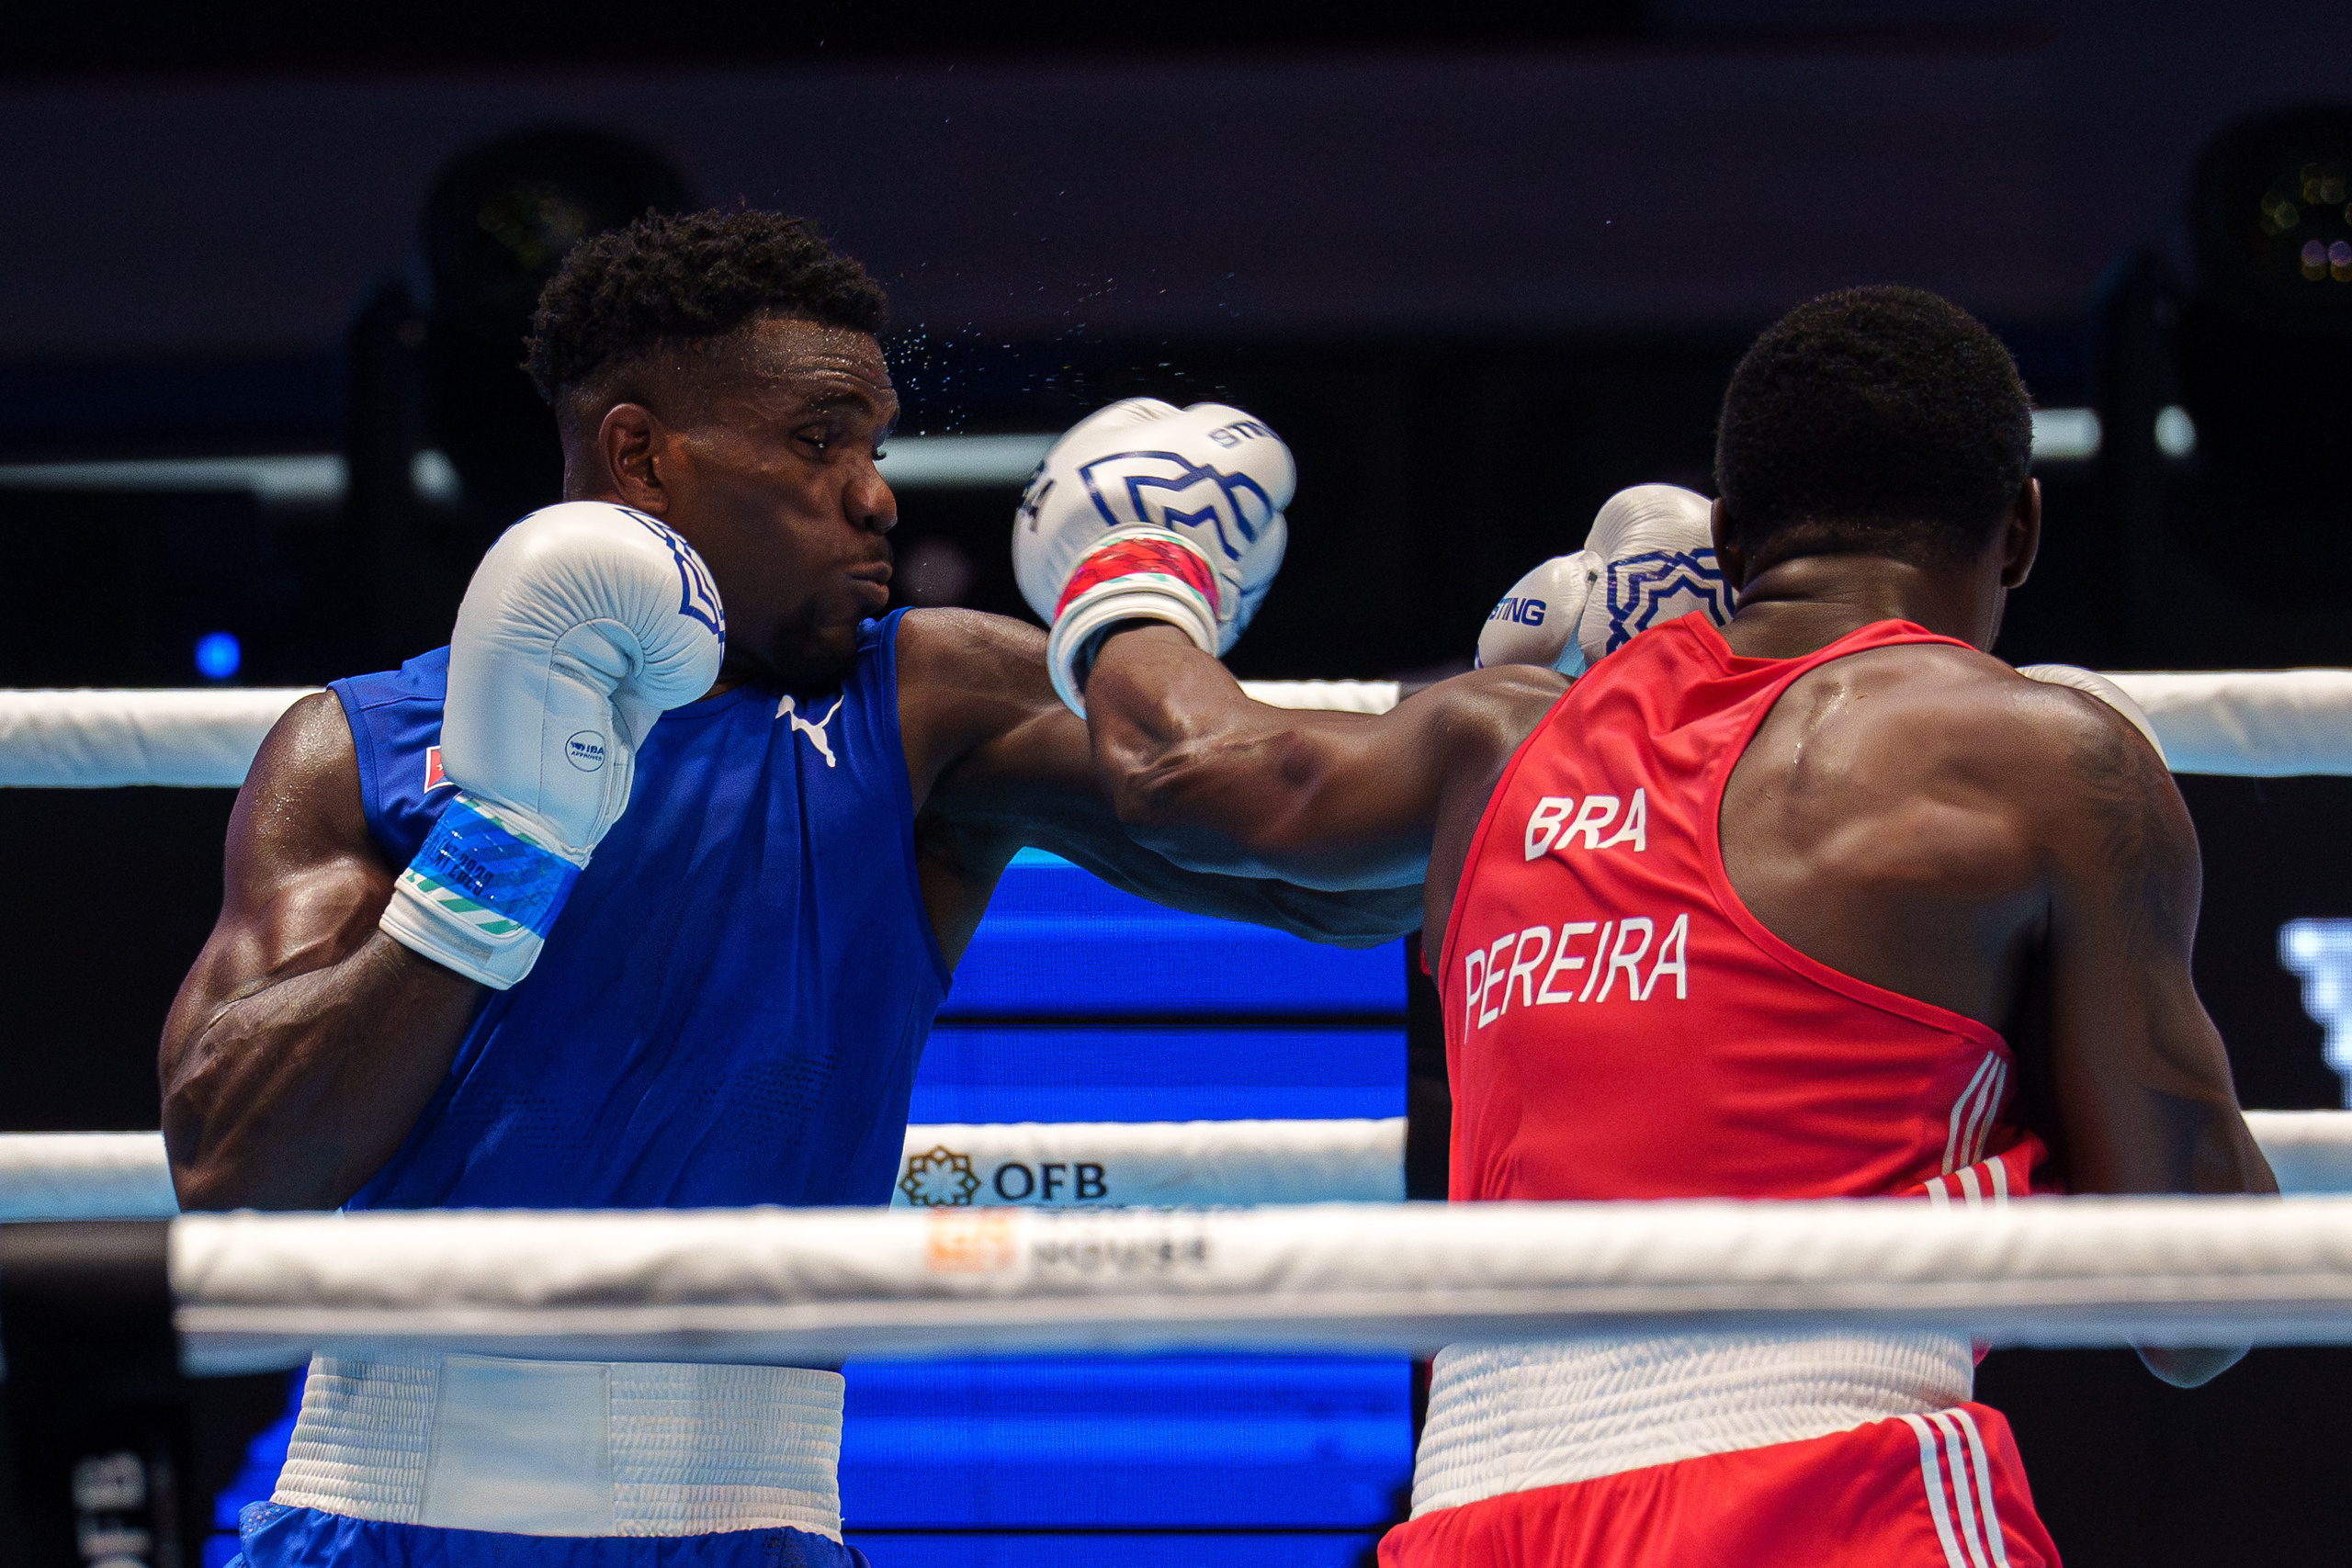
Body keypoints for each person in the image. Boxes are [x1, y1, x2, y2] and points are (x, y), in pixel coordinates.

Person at [157, 209, 1418, 1568]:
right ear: (642, 454)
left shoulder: (919, 705)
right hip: (380, 1516)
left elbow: (1341, 885)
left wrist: (1558, 737)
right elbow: (234, 1173)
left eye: (875, 447)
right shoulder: (364, 744)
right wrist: (502, 847)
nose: (875, 494)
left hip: (747, 1522)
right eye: (820, 441)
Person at [1029, 285, 2278, 1565]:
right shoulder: (2044, 762)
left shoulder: (1495, 743)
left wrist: (1138, 572)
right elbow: (2199, 1306)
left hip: (1476, 1515)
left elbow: (1183, 774)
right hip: (1831, 1492)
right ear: (2019, 529)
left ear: (1733, 537)